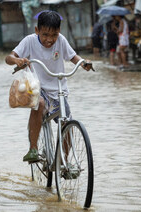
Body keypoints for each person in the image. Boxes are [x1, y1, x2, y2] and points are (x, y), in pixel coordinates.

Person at [5, 11, 92, 162]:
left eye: (54, 35)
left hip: (59, 89)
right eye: (45, 35)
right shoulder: (29, 41)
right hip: (37, 87)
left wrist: (83, 63)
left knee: (67, 123)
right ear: (36, 30)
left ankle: (63, 162)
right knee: (39, 104)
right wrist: (17, 61)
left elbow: (72, 56)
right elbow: (9, 58)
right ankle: (33, 148)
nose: (49, 40)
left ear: (59, 32)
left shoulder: (61, 41)